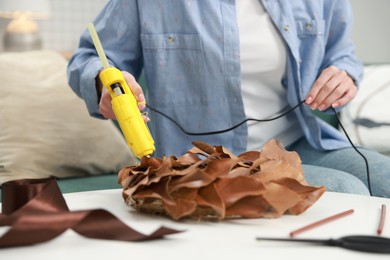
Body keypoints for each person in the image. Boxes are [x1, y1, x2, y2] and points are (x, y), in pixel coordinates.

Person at [67, 0, 390, 198]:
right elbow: (89, 57)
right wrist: (102, 83)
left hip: (301, 142)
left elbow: (342, 53)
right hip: (200, 159)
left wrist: (345, 73)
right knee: (345, 191)